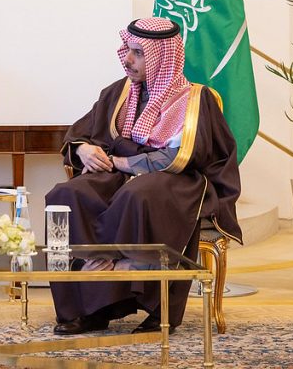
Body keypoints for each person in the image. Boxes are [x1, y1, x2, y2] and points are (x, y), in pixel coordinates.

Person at [46, 17, 241, 335]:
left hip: (175, 178)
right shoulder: (117, 93)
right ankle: (88, 307)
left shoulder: (194, 100)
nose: (127, 59)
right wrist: (82, 150)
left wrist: (125, 163)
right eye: (127, 50)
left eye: (138, 52)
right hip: (118, 173)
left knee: (138, 195)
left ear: (162, 57)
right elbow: (81, 132)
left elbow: (182, 157)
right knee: (65, 195)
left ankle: (155, 306)